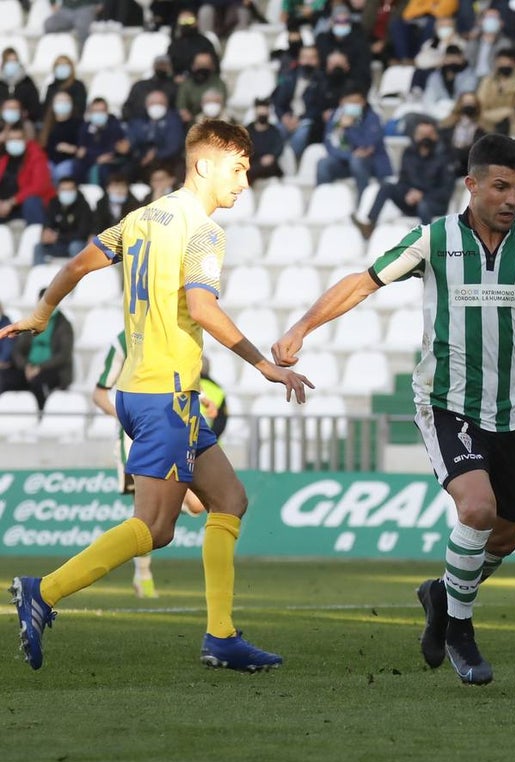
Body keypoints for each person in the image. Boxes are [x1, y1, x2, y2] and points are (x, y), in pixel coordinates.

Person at [271, 134, 515, 685]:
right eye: (499, 186)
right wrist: (303, 326)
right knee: (476, 509)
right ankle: (460, 630)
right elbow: (363, 283)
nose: (511, 198)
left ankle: (441, 594)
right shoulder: (434, 240)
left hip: (514, 410)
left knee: (505, 538)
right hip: (448, 402)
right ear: (472, 185)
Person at [3, 119, 314, 672]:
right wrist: (263, 364)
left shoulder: (143, 218)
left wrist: (41, 313)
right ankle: (42, 591)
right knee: (155, 527)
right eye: (238, 169)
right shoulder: (203, 231)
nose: (245, 182)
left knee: (230, 501)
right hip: (165, 395)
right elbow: (202, 307)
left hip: (146, 391)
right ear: (204, 165)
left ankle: (222, 636)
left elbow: (77, 264)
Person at [92, 332, 215, 599]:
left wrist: (202, 397)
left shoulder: (168, 331)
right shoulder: (123, 341)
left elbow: (175, 372)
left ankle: (169, 502)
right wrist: (128, 416)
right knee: (144, 514)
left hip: (173, 424)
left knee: (194, 503)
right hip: (136, 434)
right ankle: (143, 576)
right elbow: (99, 394)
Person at [353, 118, 454, 234]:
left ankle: (429, 241)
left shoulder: (445, 157)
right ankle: (369, 225)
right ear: (415, 136)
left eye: (429, 134)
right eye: (422, 134)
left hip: (433, 203)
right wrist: (409, 193)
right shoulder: (409, 153)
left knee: (424, 205)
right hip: (410, 200)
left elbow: (446, 190)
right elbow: (403, 180)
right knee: (386, 186)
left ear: (436, 136)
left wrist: (422, 195)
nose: (425, 138)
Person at [6, 288, 73, 409]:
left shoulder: (64, 325)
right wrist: (26, 366)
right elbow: (17, 350)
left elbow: (63, 355)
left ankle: (41, 415)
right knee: (6, 379)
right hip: (29, 368)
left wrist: (40, 368)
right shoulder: (32, 322)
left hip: (54, 371)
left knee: (39, 383)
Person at [316, 88, 390, 197]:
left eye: (357, 102)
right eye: (350, 102)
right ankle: (323, 201)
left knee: (357, 162)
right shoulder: (335, 118)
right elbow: (330, 145)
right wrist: (350, 155)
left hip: (371, 162)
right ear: (342, 102)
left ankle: (362, 203)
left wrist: (350, 128)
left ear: (364, 102)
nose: (354, 105)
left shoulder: (372, 118)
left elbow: (367, 145)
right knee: (323, 164)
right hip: (345, 160)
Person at [272, 45, 327, 160]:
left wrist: (300, 118)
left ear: (318, 60)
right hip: (288, 118)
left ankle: (294, 161)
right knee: (276, 130)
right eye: (305, 57)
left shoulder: (322, 80)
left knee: (302, 133)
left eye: (312, 58)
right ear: (299, 59)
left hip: (308, 120)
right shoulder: (289, 77)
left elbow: (319, 107)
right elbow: (278, 102)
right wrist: (283, 117)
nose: (308, 61)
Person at [0, 123, 54, 225]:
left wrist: (12, 202)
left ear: (25, 139)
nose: (15, 142)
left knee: (31, 202)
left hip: (25, 204)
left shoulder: (37, 156)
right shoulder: (4, 158)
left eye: (19, 139)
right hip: (4, 205)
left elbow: (40, 186)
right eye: (11, 139)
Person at [34, 177, 93, 266]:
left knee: (75, 246)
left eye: (70, 190)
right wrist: (46, 233)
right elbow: (48, 223)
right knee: (38, 248)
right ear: (58, 191)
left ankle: (77, 276)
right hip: (60, 244)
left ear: (76, 190)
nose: (67, 193)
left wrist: (58, 237)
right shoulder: (53, 203)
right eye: (64, 190)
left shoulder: (83, 205)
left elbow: (82, 233)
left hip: (78, 244)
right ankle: (39, 275)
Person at [245, 98, 285, 183]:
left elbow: (279, 147)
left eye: (264, 112)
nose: (262, 114)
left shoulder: (274, 131)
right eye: (260, 112)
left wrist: (272, 156)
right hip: (252, 163)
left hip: (269, 166)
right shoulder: (248, 131)